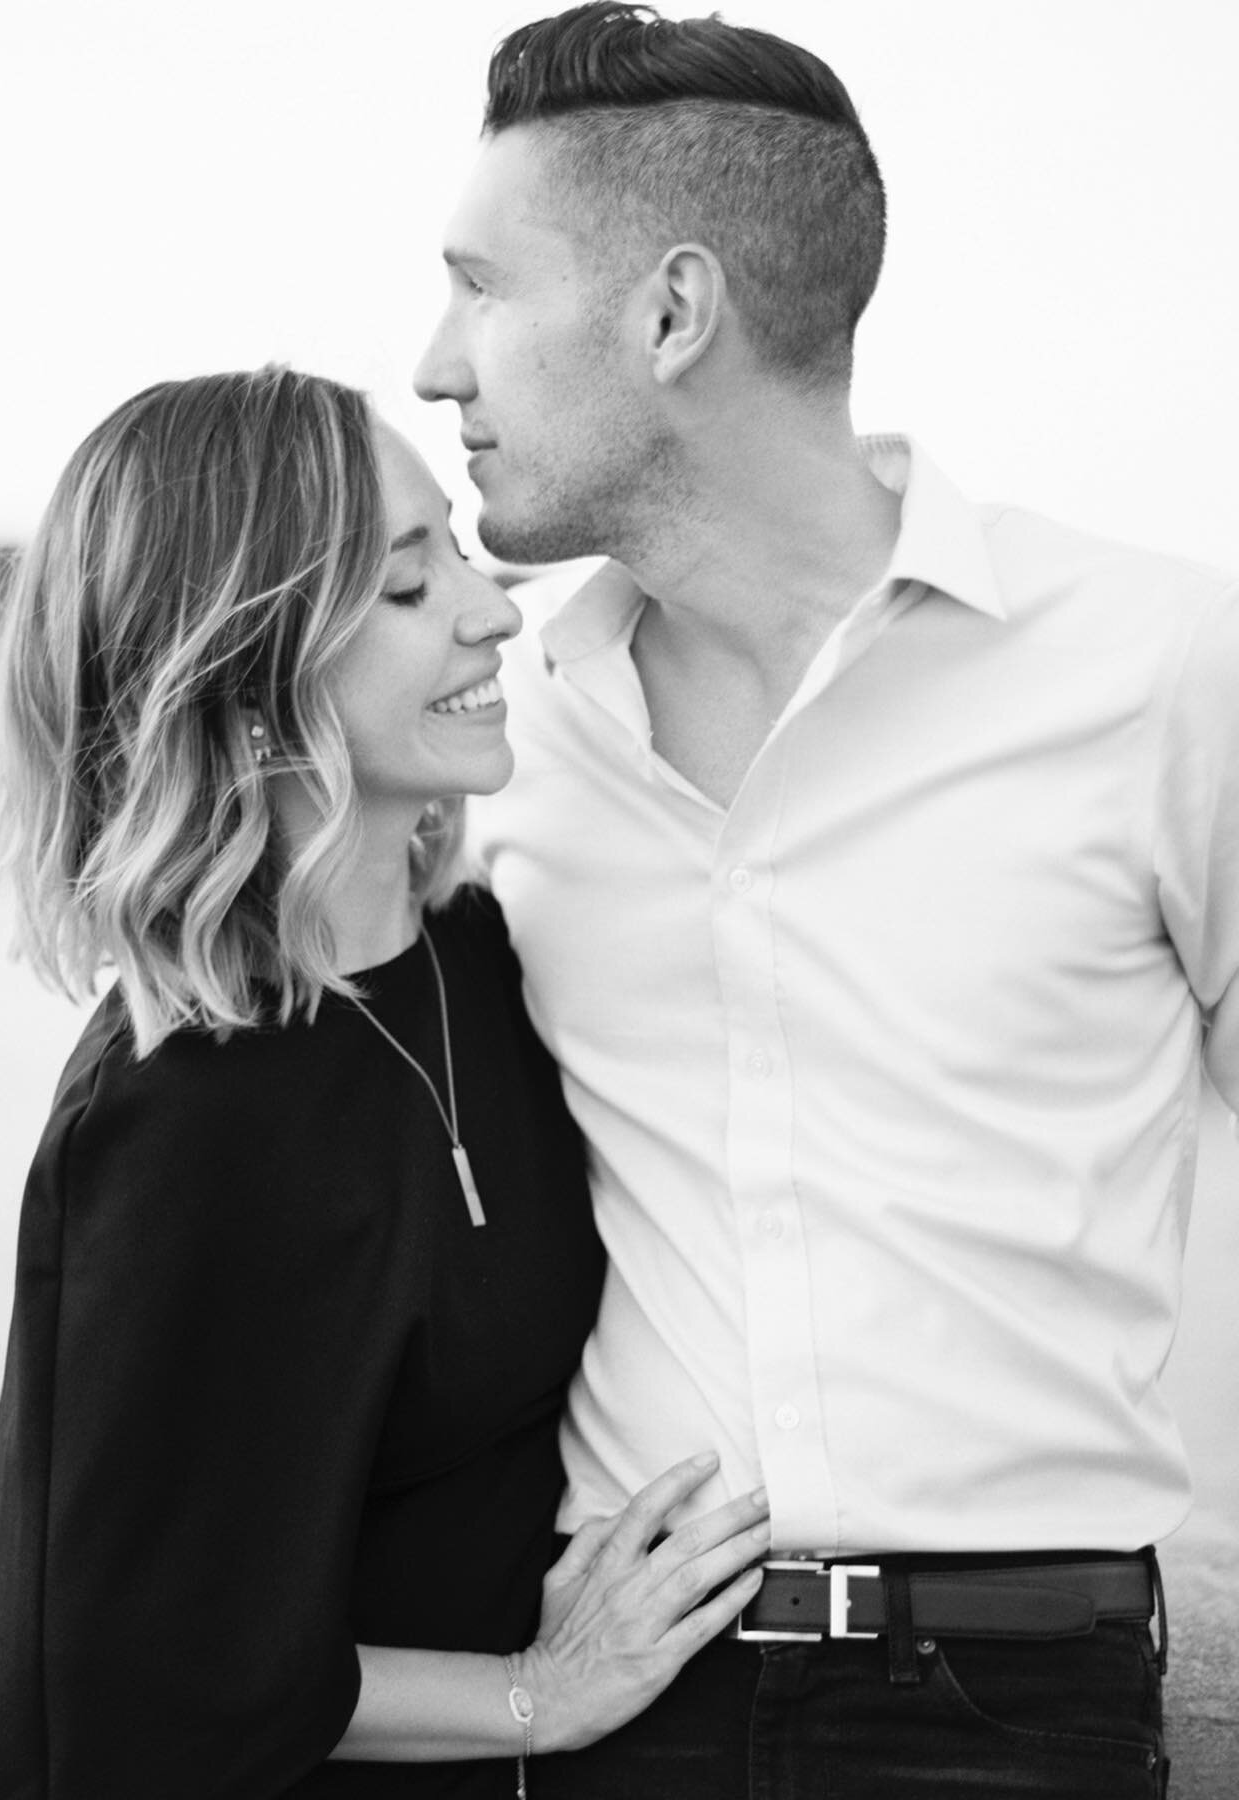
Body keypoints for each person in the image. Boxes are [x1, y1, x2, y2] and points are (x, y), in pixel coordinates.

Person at [414, 5, 1239, 1795]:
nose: (432, 366)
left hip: (1022, 1707)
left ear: (672, 311)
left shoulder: (1161, 663)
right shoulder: (507, 730)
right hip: (624, 1694)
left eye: (480, 287)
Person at [0, 365, 774, 1799]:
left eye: (461, 552)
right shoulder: (183, 1118)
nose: (496, 609)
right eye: (402, 585)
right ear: (247, 669)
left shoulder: (476, 964)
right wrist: (532, 1695)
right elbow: (140, 1666)